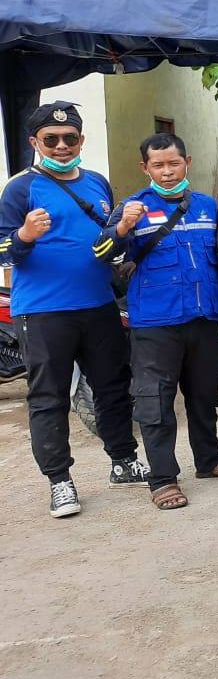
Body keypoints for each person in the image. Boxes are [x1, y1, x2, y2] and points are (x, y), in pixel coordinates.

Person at [0, 100, 148, 518]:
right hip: (42, 312)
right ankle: (60, 481)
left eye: (70, 137)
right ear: (35, 142)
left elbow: (109, 240)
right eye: (51, 139)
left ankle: (124, 461)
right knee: (49, 397)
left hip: (99, 304)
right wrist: (25, 234)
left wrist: (124, 236)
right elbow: (3, 249)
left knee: (113, 387)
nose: (62, 145)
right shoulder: (19, 189)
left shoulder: (97, 183)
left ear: (81, 140)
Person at [94, 133, 218, 510]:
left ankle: (209, 461)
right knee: (156, 403)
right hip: (155, 324)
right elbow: (101, 252)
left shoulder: (207, 206)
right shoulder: (131, 207)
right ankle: (163, 479)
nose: (167, 171)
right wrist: (122, 229)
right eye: (158, 165)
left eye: (174, 163)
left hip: (203, 317)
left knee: (204, 397)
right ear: (145, 168)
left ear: (187, 163)